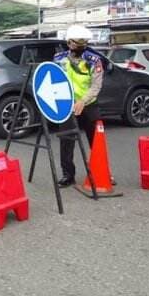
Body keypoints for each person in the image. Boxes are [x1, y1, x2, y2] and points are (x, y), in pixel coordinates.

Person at [53, 25, 104, 187]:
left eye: (83, 44)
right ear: (68, 43)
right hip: (67, 106)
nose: (79, 47)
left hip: (88, 104)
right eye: (76, 44)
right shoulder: (59, 59)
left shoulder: (94, 60)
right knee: (66, 140)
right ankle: (68, 175)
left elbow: (96, 86)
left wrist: (82, 101)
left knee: (96, 140)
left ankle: (103, 173)